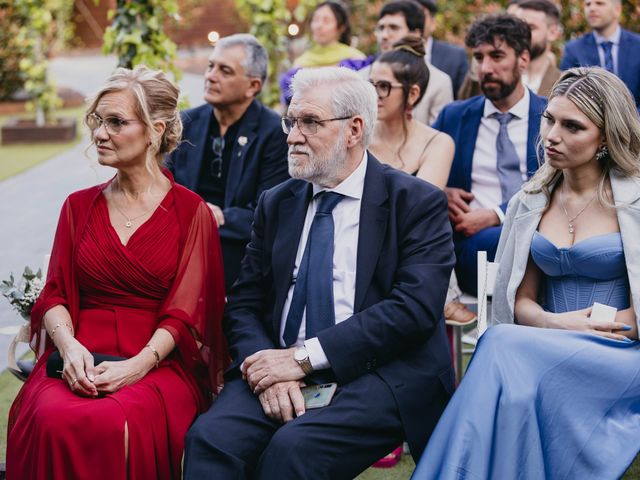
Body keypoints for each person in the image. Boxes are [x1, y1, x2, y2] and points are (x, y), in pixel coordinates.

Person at [183, 66, 455, 479]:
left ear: (353, 129)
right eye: (290, 121)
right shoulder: (277, 202)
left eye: (310, 122)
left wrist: (302, 359)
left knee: (294, 450)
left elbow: (413, 309)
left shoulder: (415, 202)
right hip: (276, 362)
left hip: (377, 370)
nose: (292, 136)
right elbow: (244, 303)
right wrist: (267, 371)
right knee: (211, 439)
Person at [413, 66, 640, 479]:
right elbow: (520, 302)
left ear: (606, 137)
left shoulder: (635, 202)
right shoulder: (531, 200)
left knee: (500, 347)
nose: (552, 135)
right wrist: (558, 324)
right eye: (549, 119)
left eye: (573, 126)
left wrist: (589, 326)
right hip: (543, 343)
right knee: (504, 350)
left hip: (623, 355)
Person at [6, 66, 227, 479]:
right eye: (97, 121)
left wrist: (138, 365)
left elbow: (186, 315)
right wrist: (69, 350)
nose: (100, 134)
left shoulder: (190, 211)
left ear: (154, 130)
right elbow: (53, 294)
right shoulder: (77, 206)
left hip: (157, 360)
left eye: (116, 122)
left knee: (117, 423)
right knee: (51, 418)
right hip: (79, 354)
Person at [433, 14, 547, 295]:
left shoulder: (550, 116)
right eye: (479, 57)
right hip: (468, 245)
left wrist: (497, 215)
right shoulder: (454, 116)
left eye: (497, 56)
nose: (485, 68)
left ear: (523, 59)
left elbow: (561, 183)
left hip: (537, 234)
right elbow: (418, 173)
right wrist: (440, 190)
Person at [167, 34, 289, 289]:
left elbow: (269, 213)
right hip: (180, 244)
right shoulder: (186, 123)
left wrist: (217, 217)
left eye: (225, 71)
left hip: (241, 254)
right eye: (211, 66)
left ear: (252, 86)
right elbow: (164, 188)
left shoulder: (273, 133)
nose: (211, 76)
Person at [356, 0, 454, 125]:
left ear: (416, 34)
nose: (384, 35)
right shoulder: (361, 78)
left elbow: (439, 134)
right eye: (381, 28)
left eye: (394, 27)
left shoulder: (439, 83)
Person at [280, 1, 366, 105]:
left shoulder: (356, 59)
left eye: (326, 21)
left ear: (341, 27)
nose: (319, 26)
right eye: (316, 20)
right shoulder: (302, 61)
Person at [560, 0, 640, 110]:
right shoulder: (574, 49)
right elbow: (566, 93)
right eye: (588, 4)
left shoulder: (638, 46)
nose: (592, 8)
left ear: (617, 10)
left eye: (599, 3)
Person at [413, 0, 469, 98]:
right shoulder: (384, 59)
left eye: (420, 16)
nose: (413, 23)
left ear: (433, 23)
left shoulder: (455, 57)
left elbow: (464, 100)